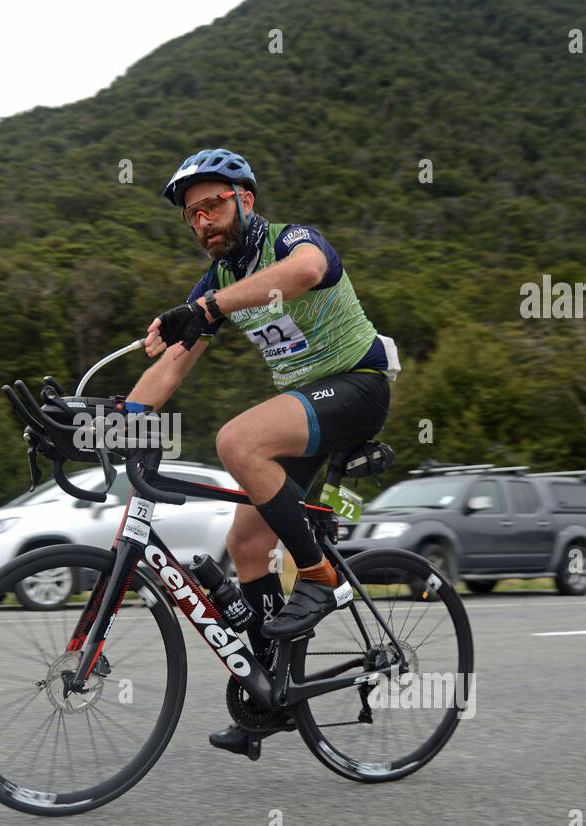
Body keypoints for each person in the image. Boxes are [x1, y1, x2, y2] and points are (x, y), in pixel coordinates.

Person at [125, 147, 400, 757]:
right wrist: (116, 426)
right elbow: (172, 365)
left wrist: (207, 307)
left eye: (212, 205)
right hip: (309, 404)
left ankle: (320, 576)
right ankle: (272, 690)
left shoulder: (290, 241)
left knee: (236, 440)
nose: (202, 222)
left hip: (357, 385)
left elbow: (304, 272)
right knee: (246, 545)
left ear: (245, 199)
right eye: (191, 215)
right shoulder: (217, 281)